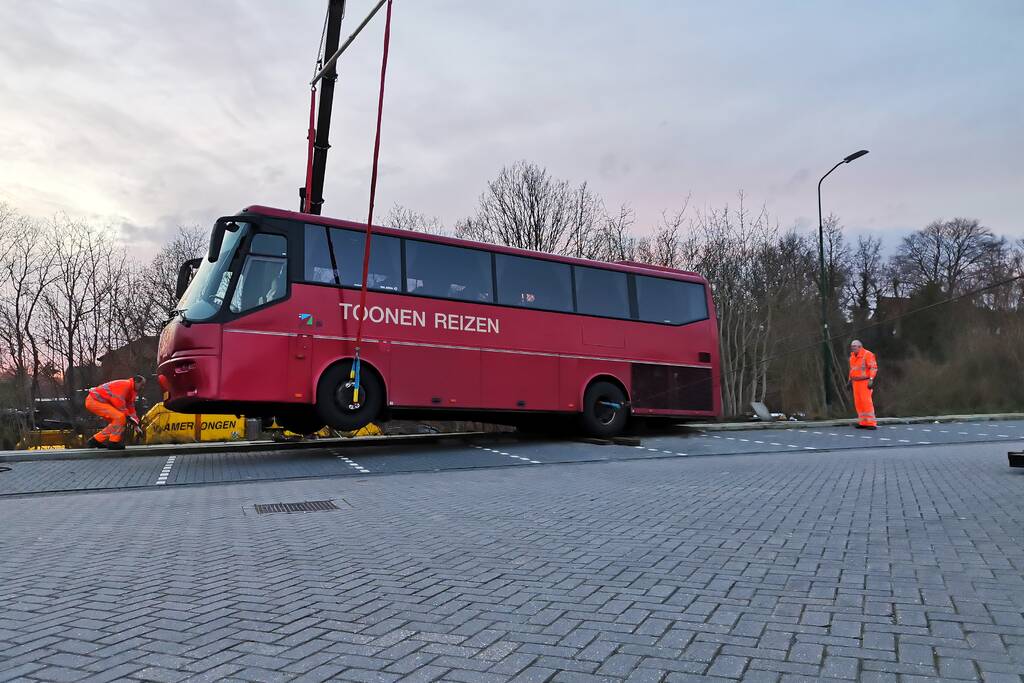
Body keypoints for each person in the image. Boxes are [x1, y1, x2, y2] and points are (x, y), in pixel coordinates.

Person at [85, 375, 146, 450]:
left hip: (97, 401)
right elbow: (118, 402)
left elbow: (131, 408)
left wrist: (136, 425)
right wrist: (128, 416)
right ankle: (113, 442)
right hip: (94, 401)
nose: (142, 387)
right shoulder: (125, 385)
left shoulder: (131, 391)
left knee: (118, 422)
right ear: (136, 382)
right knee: (120, 417)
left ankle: (95, 440)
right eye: (142, 385)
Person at [848, 340, 878, 429]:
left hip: (864, 382)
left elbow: (873, 367)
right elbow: (852, 370)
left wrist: (871, 379)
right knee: (858, 403)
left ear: (860, 346)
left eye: (854, 346)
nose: (853, 348)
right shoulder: (852, 357)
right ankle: (863, 422)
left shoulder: (868, 354)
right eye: (852, 346)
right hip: (856, 382)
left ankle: (871, 423)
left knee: (866, 402)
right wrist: (849, 380)